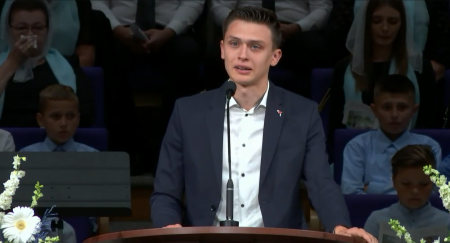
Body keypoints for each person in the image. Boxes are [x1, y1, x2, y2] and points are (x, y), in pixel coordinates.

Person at [151, 6, 377, 242]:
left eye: (255, 46)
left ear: (275, 56)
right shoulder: (188, 113)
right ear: (222, 49)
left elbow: (320, 183)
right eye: (234, 44)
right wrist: (170, 227)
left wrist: (340, 226)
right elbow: (166, 192)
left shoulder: (301, 114)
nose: (243, 55)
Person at [328, 0, 438, 143]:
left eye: (392, 22)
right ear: (366, 23)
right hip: (357, 156)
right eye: (377, 21)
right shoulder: (343, 69)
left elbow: (430, 122)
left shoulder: (419, 67)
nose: (385, 28)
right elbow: (335, 127)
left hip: (410, 156)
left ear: (402, 25)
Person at [206, 0, 333, 96]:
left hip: (295, 29)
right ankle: (218, 115)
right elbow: (220, 6)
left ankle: (303, 118)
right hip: (245, 24)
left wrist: (298, 27)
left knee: (315, 49)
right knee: (218, 52)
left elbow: (322, 8)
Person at [341, 75, 441, 195]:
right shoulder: (357, 146)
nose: (394, 114)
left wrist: (371, 188)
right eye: (387, 107)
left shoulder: (429, 147)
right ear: (374, 110)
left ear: (414, 110)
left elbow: (432, 193)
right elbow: (351, 193)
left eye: (402, 107)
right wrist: (409, 189)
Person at [0, 0, 94, 127]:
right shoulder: (3, 64)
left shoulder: (69, 65)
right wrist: (12, 63)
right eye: (21, 28)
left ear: (48, 31)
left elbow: (86, 114)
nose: (30, 35)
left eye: (38, 28)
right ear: (8, 30)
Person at [364, 145, 450, 241]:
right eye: (406, 184)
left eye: (423, 184)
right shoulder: (377, 220)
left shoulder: (447, 222)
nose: (415, 191)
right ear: (394, 182)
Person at [0, 0, 96, 66]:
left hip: (64, 71)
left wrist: (49, 68)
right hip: (11, 66)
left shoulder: (80, 3)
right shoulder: (4, 4)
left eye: (38, 27)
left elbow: (86, 57)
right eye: (21, 27)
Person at [20, 84, 96, 152]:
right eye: (56, 116)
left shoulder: (93, 156)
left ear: (78, 119)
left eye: (70, 116)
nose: (64, 123)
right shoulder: (26, 155)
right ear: (41, 120)